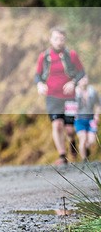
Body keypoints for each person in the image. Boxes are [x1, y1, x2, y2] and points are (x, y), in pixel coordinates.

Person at [35, 27, 85, 165]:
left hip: (69, 96)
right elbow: (37, 75)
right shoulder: (44, 57)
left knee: (69, 128)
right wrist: (40, 84)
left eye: (62, 39)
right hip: (52, 96)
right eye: (56, 38)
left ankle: (72, 141)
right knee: (57, 125)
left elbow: (81, 72)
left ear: (65, 40)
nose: (59, 42)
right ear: (50, 40)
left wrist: (73, 83)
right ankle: (62, 156)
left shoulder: (72, 55)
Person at [74, 76, 99, 162]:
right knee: (83, 138)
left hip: (91, 119)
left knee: (92, 141)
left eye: (86, 78)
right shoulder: (74, 93)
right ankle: (84, 161)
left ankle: (85, 150)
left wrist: (96, 115)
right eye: (82, 78)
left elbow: (98, 104)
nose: (84, 80)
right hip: (79, 119)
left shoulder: (92, 91)